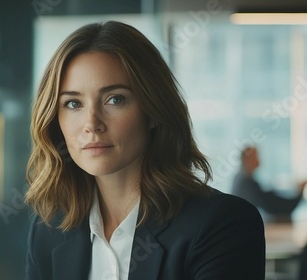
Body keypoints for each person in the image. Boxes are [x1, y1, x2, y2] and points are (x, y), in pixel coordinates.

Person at [24, 21, 265, 280]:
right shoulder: (48, 230)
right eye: (73, 103)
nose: (92, 124)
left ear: (152, 111)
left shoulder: (223, 224)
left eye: (115, 99)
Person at [232, 146, 307, 222]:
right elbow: (272, 206)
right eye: (255, 157)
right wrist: (300, 191)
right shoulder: (247, 182)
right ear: (247, 160)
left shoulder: (241, 178)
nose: (259, 160)